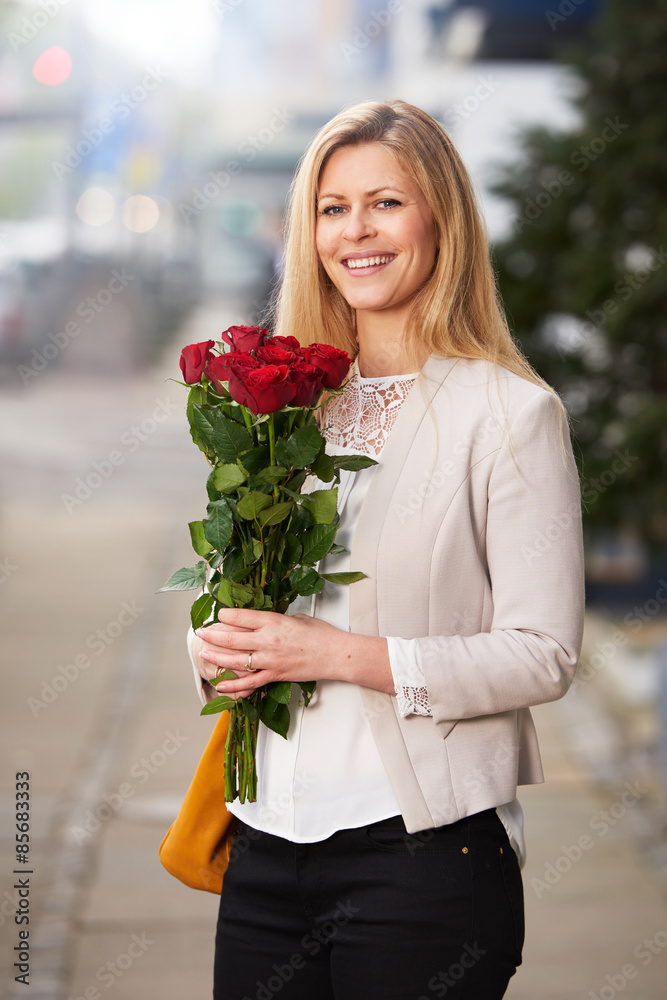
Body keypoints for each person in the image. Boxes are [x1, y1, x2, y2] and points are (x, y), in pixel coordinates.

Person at [188, 99, 585, 1000]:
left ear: (440, 217)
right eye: (332, 208)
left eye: (385, 203)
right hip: (263, 851)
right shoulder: (286, 408)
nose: (354, 231)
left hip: (420, 858)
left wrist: (336, 657)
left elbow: (542, 654)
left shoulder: (509, 415)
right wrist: (212, 645)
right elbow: (234, 599)